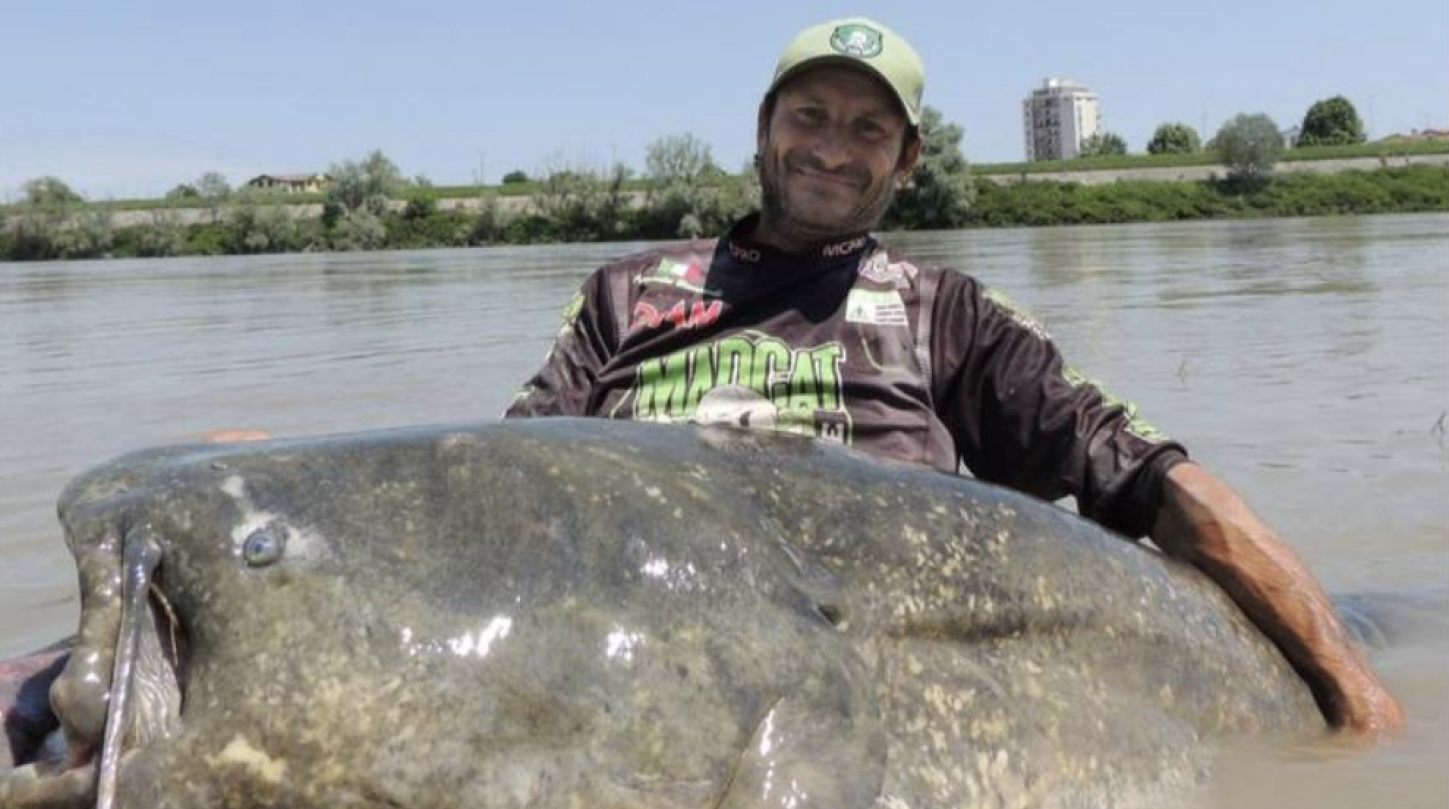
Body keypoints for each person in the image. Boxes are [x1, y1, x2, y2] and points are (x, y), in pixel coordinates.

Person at [504, 16, 1403, 738]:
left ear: (907, 160)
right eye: (809, 115)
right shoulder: (626, 294)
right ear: (763, 129)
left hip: (867, 676)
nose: (832, 147)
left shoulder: (948, 312)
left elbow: (1155, 482)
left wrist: (1351, 685)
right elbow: (499, 490)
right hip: (633, 650)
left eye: (869, 129)